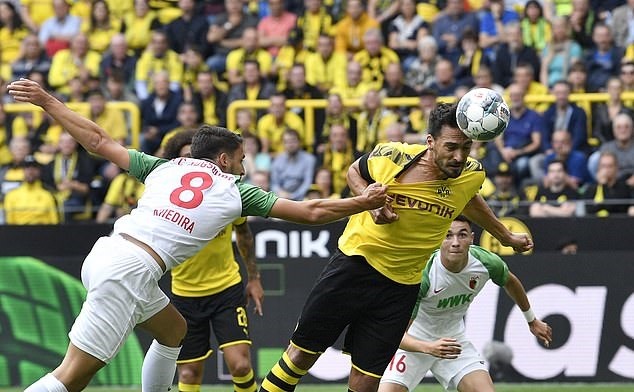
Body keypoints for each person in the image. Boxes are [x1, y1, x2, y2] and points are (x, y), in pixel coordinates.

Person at [8, 78, 388, 392]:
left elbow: (97, 140)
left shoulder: (163, 167)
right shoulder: (234, 190)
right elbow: (311, 211)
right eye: (240, 159)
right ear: (223, 159)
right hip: (129, 271)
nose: (243, 167)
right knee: (72, 376)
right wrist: (363, 200)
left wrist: (46, 100)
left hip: (108, 253)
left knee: (173, 330)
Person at [259, 103, 533, 392]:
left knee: (366, 381)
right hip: (354, 267)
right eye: (451, 147)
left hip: (401, 289)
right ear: (430, 142)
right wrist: (368, 202)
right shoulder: (392, 156)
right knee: (301, 356)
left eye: (466, 148)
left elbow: (468, 197)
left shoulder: (471, 174)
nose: (459, 156)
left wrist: (505, 235)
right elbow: (355, 170)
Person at [378, 217, 552, 392]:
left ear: (472, 238)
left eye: (462, 235)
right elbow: (397, 334)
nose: (455, 243)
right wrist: (429, 347)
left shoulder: (486, 262)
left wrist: (532, 320)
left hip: (453, 341)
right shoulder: (424, 274)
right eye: (448, 236)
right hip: (414, 341)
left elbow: (511, 282)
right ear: (439, 238)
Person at [160, 130, 263, 392]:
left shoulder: (226, 194)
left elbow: (244, 234)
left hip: (226, 290)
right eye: (186, 158)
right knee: (190, 373)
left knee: (240, 366)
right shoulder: (169, 198)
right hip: (184, 296)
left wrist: (254, 278)